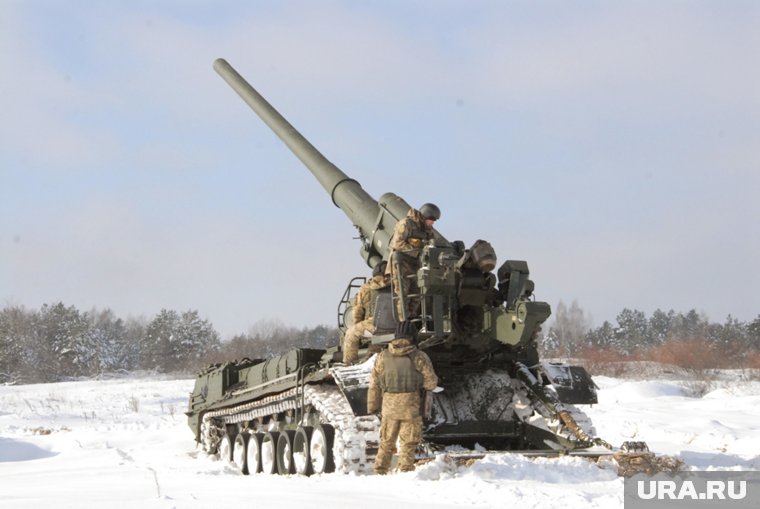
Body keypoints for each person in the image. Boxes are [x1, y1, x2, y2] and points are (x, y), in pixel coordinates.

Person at [367, 321, 438, 474]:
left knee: (386, 442)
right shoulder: (419, 356)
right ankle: (405, 471)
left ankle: (379, 471)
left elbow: (374, 384)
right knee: (408, 443)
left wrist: (372, 406)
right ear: (413, 337)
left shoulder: (382, 356)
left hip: (389, 406)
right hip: (410, 406)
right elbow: (431, 382)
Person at [386, 203, 440, 320]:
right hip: (401, 264)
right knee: (402, 294)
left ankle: (411, 318)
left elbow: (432, 243)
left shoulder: (427, 230)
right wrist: (417, 253)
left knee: (417, 292)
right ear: (424, 216)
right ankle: (403, 322)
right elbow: (397, 244)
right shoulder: (406, 224)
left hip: (415, 265)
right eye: (431, 220)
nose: (432, 223)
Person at [342, 261, 390, 364]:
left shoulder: (365, 289)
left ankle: (348, 364)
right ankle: (372, 357)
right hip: (396, 325)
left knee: (350, 334)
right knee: (377, 343)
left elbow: (357, 312)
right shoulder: (398, 286)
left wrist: (357, 325)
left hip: (373, 326)